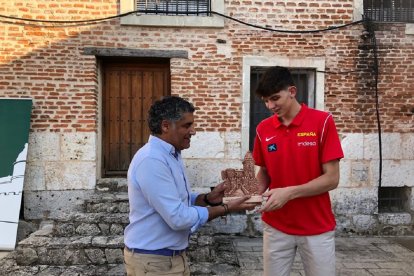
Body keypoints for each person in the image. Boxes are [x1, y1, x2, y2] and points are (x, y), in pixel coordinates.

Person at [124, 96, 257, 276]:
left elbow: (177, 198)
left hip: (169, 259)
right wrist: (226, 208)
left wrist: (208, 199)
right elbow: (178, 218)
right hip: (154, 263)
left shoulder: (171, 154)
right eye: (187, 126)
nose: (193, 131)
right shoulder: (152, 160)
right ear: (165, 126)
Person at [252, 66, 344, 276]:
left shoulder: (322, 122)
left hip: (317, 227)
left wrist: (289, 192)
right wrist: (250, 194)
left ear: (292, 92)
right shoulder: (263, 129)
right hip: (275, 225)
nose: (270, 105)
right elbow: (264, 172)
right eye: (265, 100)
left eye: (275, 98)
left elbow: (332, 179)